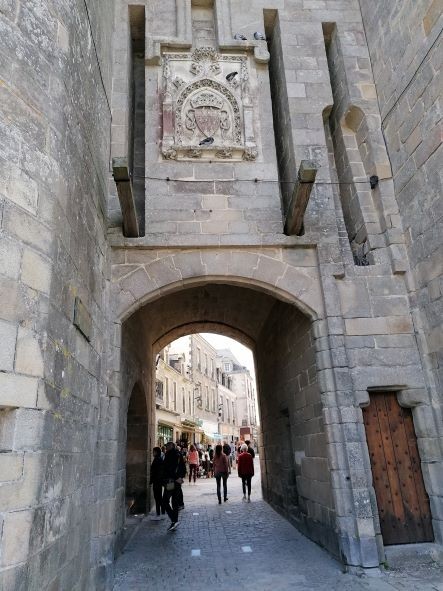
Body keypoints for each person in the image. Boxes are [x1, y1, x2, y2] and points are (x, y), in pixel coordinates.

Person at [162, 441, 186, 531]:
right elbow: (183, 467)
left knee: (165, 501)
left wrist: (176, 478)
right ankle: (174, 521)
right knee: (175, 502)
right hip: (177, 481)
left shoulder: (169, 454)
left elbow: (169, 468)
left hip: (171, 481)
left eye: (167, 446)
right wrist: (180, 477)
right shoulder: (179, 454)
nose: (166, 447)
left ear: (171, 446)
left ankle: (174, 519)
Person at [150, 447, 165, 520]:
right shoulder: (159, 459)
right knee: (159, 498)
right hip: (158, 481)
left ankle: (159, 514)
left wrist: (152, 480)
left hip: (157, 482)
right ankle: (162, 513)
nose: (153, 453)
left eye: (153, 452)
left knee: (158, 498)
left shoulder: (157, 460)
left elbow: (155, 472)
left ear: (156, 452)